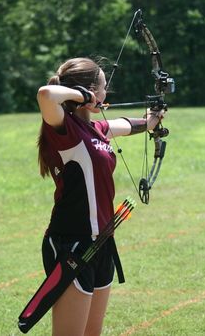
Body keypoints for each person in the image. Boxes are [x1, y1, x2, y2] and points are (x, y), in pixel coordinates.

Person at [37, 57, 165, 336]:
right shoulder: (64, 130)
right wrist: (82, 95)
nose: (106, 94)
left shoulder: (96, 129)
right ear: (90, 92)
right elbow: (46, 95)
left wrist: (152, 119)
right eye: (103, 87)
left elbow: (126, 124)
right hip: (72, 243)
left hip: (102, 242)